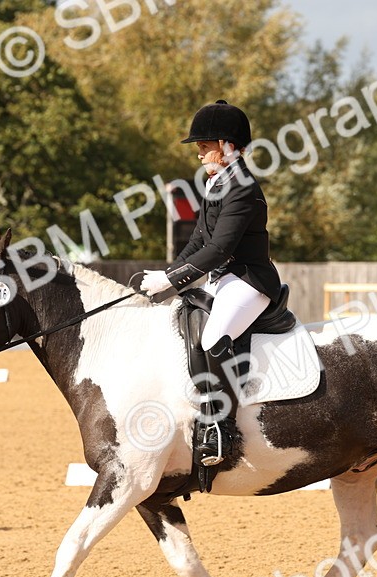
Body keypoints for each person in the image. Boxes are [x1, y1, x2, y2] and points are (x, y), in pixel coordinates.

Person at [140, 100, 281, 468]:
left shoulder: (242, 187)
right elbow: (198, 242)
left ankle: (221, 428)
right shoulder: (216, 182)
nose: (199, 154)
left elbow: (220, 249)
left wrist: (172, 278)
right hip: (225, 279)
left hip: (249, 280)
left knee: (213, 336)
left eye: (204, 147)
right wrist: (167, 279)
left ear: (227, 145)